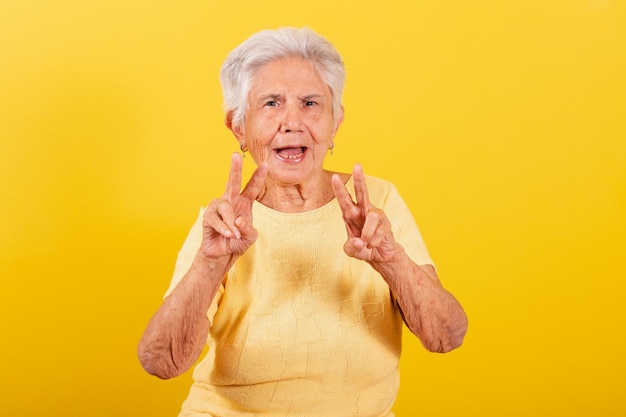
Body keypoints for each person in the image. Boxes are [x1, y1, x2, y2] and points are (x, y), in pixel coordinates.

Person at [138, 27, 468, 417]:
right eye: (271, 104)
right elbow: (161, 362)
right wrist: (212, 263)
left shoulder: (377, 202)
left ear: (335, 121)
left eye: (310, 103)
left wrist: (391, 260)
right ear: (239, 127)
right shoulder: (224, 224)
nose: (292, 122)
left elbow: (446, 336)